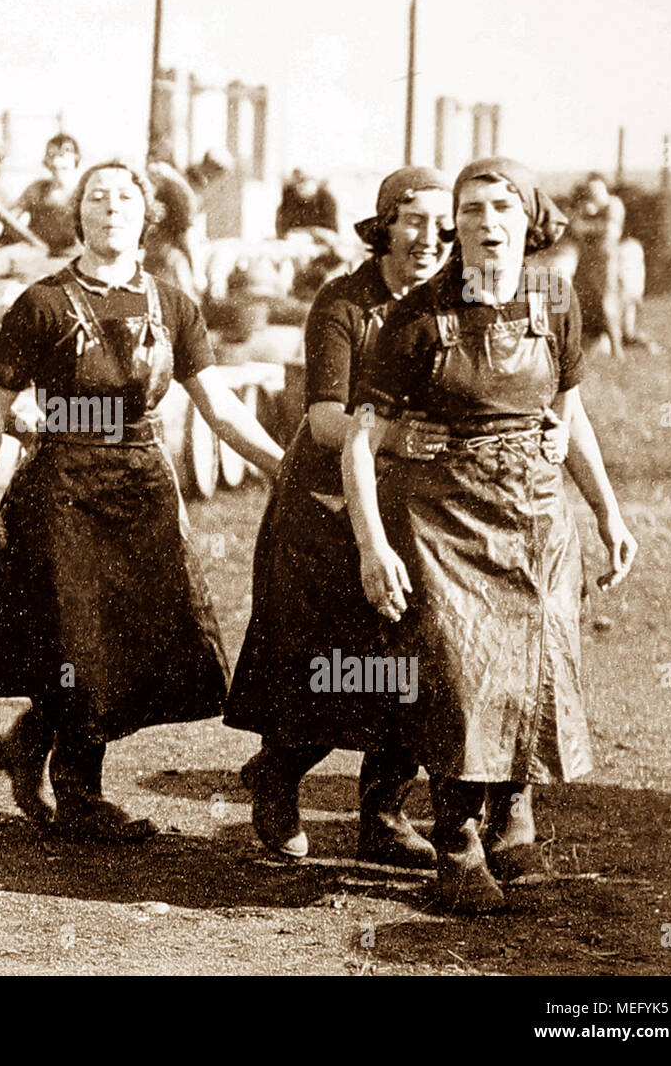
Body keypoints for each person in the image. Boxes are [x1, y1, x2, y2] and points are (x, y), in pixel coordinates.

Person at [342, 156, 637, 913]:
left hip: (538, 518)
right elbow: (358, 439)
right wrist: (374, 545)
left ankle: (516, 822)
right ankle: (458, 840)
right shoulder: (417, 316)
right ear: (456, 226)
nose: (486, 222)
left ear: (527, 218)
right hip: (443, 523)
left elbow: (569, 415)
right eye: (471, 210)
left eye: (501, 206)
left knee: (534, 668)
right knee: (459, 674)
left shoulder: (556, 299)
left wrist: (607, 513)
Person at [0, 160, 284, 842]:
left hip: (141, 484)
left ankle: (29, 743)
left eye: (125, 196)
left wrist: (282, 467)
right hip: (62, 486)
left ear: (148, 216)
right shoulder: (41, 301)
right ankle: (79, 792)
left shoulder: (172, 303)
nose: (111, 207)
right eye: (96, 197)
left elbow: (218, 406)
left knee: (124, 640)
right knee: (77, 634)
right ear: (78, 215)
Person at [226, 167, 459, 868]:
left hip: (416, 515)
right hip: (324, 513)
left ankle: (383, 813)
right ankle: (276, 777)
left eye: (440, 223)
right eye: (412, 220)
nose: (428, 237)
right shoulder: (345, 302)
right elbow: (325, 417)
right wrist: (395, 437)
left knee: (414, 667)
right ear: (384, 223)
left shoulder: (454, 301)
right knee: (329, 671)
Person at [569, 173, 627, 357]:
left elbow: (611, 231)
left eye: (597, 190)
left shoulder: (614, 204)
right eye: (590, 190)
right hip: (586, 260)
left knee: (607, 302)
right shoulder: (587, 207)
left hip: (605, 260)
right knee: (585, 301)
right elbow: (576, 227)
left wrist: (588, 223)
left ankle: (617, 349)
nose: (593, 194)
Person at [14, 133, 83, 256]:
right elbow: (12, 214)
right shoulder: (37, 189)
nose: (56, 162)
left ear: (76, 158)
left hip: (72, 255)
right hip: (36, 251)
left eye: (62, 156)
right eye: (51, 156)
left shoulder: (85, 192)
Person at [143, 159, 203, 299]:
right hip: (167, 258)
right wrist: (197, 272)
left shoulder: (173, 193)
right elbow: (186, 236)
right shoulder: (177, 194)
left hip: (159, 257)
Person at [276, 169, 339, 237]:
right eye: (299, 182)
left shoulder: (326, 200)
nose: (303, 186)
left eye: (307, 182)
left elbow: (332, 233)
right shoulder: (288, 200)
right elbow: (282, 233)